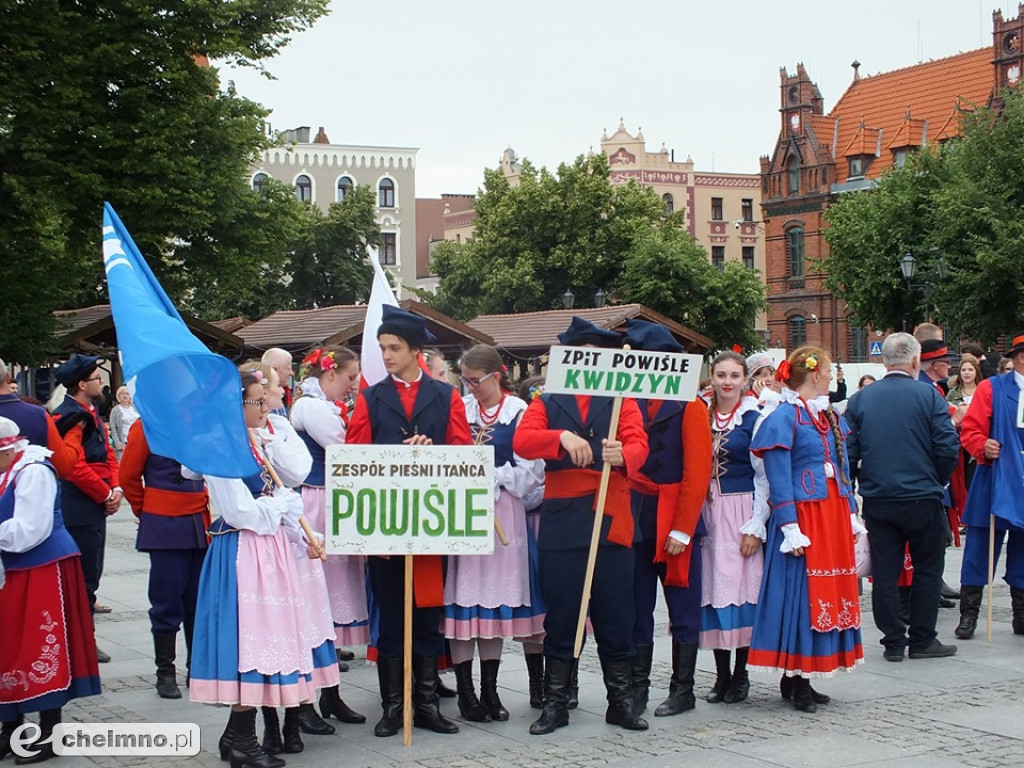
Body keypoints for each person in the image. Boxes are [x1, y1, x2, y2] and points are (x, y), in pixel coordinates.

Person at [189, 371, 334, 768]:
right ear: (234, 406)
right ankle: (242, 739)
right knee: (250, 641)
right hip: (242, 551)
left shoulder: (252, 441)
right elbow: (239, 510)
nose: (266, 405)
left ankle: (237, 736)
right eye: (257, 400)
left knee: (267, 639)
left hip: (266, 550)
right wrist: (279, 509)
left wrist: (299, 529)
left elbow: (276, 489)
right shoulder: (219, 448)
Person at [513, 316, 650, 735]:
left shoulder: (622, 398)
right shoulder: (547, 398)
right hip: (562, 519)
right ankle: (555, 704)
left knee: (615, 614)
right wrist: (559, 438)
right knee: (563, 615)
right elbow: (523, 440)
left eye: (594, 355)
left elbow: (639, 443)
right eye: (580, 355)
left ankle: (621, 703)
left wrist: (622, 454)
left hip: (611, 517)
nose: (587, 361)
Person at [346, 305, 473, 737]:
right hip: (386, 526)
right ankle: (392, 707)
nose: (386, 355)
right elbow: (353, 457)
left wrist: (432, 451)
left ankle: (425, 705)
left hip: (432, 526)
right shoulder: (369, 396)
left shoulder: (446, 396)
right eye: (382, 348)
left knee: (426, 617)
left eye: (394, 348)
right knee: (391, 617)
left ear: (416, 351)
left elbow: (464, 453)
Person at [749, 346, 865, 713]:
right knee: (802, 596)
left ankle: (804, 677)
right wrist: (789, 526)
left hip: (829, 513)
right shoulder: (785, 416)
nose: (831, 376)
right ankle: (796, 678)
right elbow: (779, 475)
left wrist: (848, 509)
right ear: (814, 374)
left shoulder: (825, 415)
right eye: (828, 371)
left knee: (824, 593)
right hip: (803, 517)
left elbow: (841, 466)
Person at [244, 362, 342, 754]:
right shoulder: (240, 439)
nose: (277, 397)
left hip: (292, 542)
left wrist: (273, 443)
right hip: (261, 545)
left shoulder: (279, 431)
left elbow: (298, 471)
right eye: (268, 394)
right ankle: (271, 723)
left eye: (273, 395)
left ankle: (299, 715)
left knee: (302, 627)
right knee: (273, 632)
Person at [443, 344, 545, 723]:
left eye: (476, 381)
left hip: (504, 509)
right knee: (464, 600)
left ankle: (490, 689)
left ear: (497, 376)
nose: (470, 388)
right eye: (465, 380)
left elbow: (532, 471)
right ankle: (467, 692)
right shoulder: (460, 410)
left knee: (492, 605)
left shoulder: (520, 414)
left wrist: (493, 475)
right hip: (464, 512)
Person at [845, 333, 961, 662]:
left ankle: (893, 640)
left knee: (884, 571)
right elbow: (947, 444)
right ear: (914, 361)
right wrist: (936, 479)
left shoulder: (861, 399)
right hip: (922, 495)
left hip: (880, 498)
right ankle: (923, 638)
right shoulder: (929, 395)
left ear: (885, 361)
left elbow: (848, 453)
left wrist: (855, 490)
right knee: (928, 568)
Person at [0, 416, 102, 764]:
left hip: (43, 566)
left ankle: (48, 731)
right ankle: (10, 727)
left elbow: (32, 528)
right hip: (10, 569)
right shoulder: (7, 470)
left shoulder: (33, 471)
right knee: (9, 646)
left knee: (42, 645)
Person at [623, 320, 712, 718]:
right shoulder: (628, 403)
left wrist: (682, 527)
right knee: (638, 609)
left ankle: (683, 689)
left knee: (683, 609)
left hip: (676, 517)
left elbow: (697, 473)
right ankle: (638, 689)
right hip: (638, 517)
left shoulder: (691, 406)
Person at [288, 350, 369, 727]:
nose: (353, 383)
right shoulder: (313, 408)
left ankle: (330, 694)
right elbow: (344, 448)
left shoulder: (323, 406)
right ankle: (307, 700)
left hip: (329, 498)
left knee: (329, 603)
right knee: (317, 598)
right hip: (317, 501)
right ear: (331, 372)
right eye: (350, 376)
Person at [120, 418, 210, 700]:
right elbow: (128, 476)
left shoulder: (195, 423)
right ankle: (165, 672)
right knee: (166, 599)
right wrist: (146, 510)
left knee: (197, 601)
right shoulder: (146, 425)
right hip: (165, 522)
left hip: (198, 521)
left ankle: (197, 668)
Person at [699, 351, 764, 705]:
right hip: (708, 511)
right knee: (712, 591)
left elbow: (764, 476)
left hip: (740, 509)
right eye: (721, 375)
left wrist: (756, 525)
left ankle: (741, 675)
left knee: (741, 591)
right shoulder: (700, 414)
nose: (727, 382)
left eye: (734, 376)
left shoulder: (753, 418)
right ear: (712, 378)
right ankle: (720, 675)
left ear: (744, 380)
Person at [51, 354, 121, 663]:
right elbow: (73, 466)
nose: (101, 382)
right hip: (79, 508)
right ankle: (81, 642)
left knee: (92, 574)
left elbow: (107, 452)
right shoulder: (69, 416)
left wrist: (116, 487)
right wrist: (104, 493)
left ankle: (81, 639)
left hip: (93, 506)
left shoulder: (91, 411)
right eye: (96, 377)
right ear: (82, 384)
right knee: (82, 579)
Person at [955, 331, 1024, 639]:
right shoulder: (991, 388)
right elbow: (970, 430)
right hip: (994, 478)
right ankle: (969, 614)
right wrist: (984, 446)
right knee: (980, 548)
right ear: (1020, 357)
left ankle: (1021, 615)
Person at [516, 375, 549, 709]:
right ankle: (536, 683)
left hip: (560, 523)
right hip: (530, 524)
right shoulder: (524, 437)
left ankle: (565, 681)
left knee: (564, 608)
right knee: (534, 610)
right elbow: (525, 489)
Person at [0, 357, 79, 479]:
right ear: (8, 377)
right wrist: (75, 431)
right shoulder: (38, 414)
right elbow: (63, 466)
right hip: (32, 491)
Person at [109, 386, 140, 458]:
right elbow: (113, 428)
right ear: (118, 396)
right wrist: (117, 443)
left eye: (127, 394)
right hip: (124, 443)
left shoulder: (135, 408)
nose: (125, 395)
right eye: (122, 394)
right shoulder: (115, 410)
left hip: (137, 441)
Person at [261, 348, 295, 414]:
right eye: (288, 369)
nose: (291, 373)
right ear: (274, 370)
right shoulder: (265, 400)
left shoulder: (285, 395)